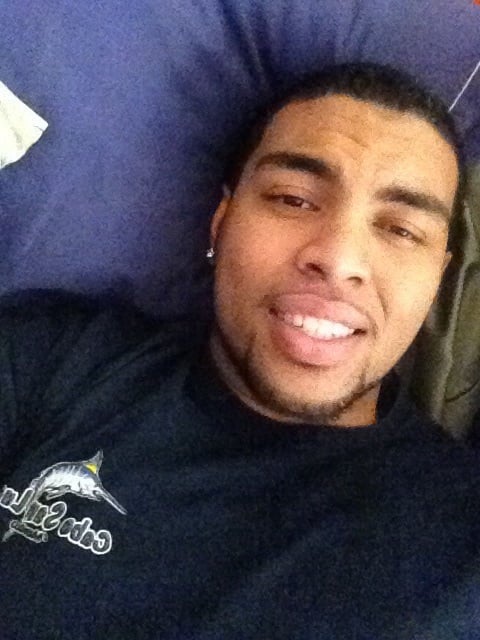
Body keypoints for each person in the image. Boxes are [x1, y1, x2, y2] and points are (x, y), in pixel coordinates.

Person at [0, 63, 479, 639]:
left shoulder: (461, 543)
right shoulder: (51, 360)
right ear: (220, 223)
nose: (340, 260)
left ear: (437, 278)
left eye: (402, 230)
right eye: (293, 199)